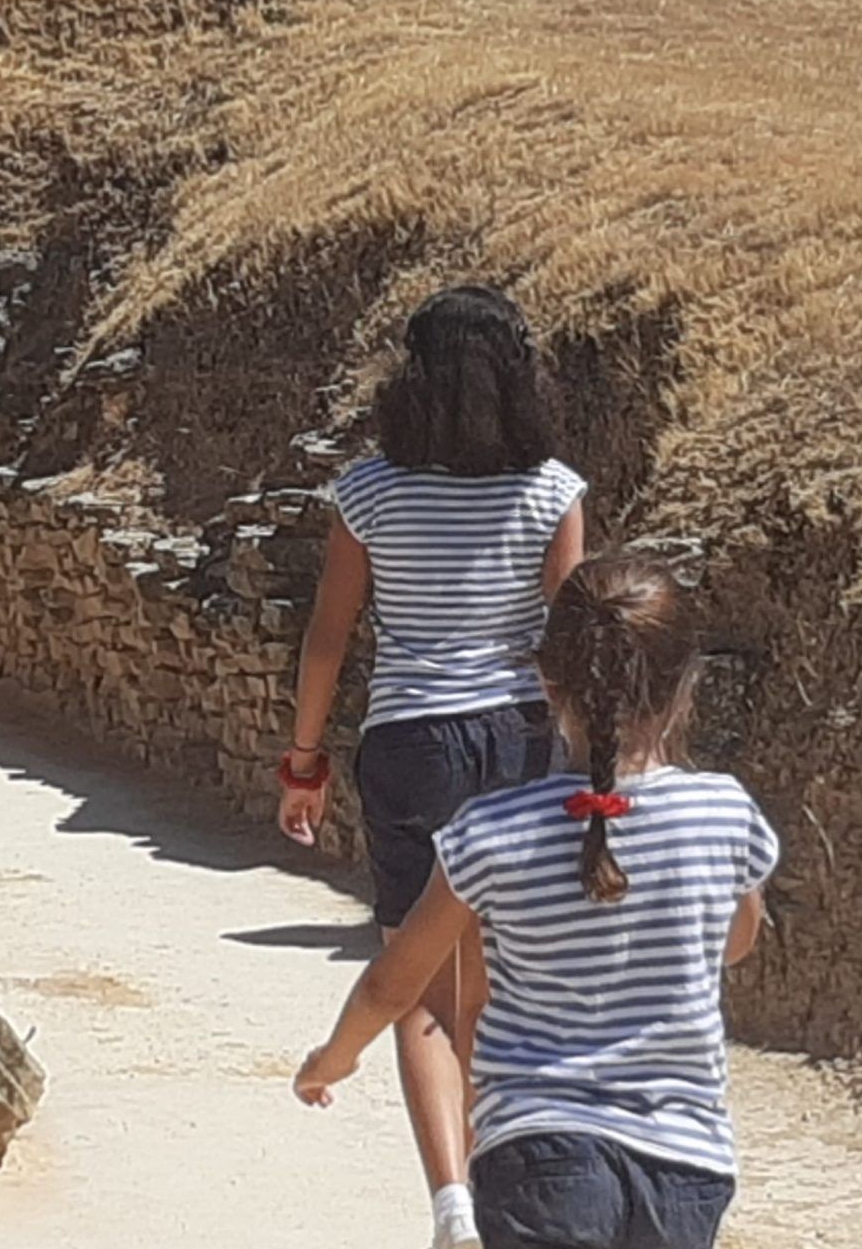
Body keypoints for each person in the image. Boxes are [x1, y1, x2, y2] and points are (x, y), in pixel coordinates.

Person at [292, 552, 779, 1249]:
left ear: (546, 683)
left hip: (538, 1153)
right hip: (683, 1160)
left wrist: (335, 1057)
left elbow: (397, 982)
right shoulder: (725, 814)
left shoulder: (493, 830)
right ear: (685, 688)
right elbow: (735, 941)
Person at [277, 283, 587, 1249]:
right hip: (524, 743)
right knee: (506, 982)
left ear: (414, 375)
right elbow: (576, 645)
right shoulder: (553, 491)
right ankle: (510, 1184)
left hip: (411, 740)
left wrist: (303, 760)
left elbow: (329, 637)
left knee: (419, 980)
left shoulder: (370, 488)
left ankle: (452, 1205)